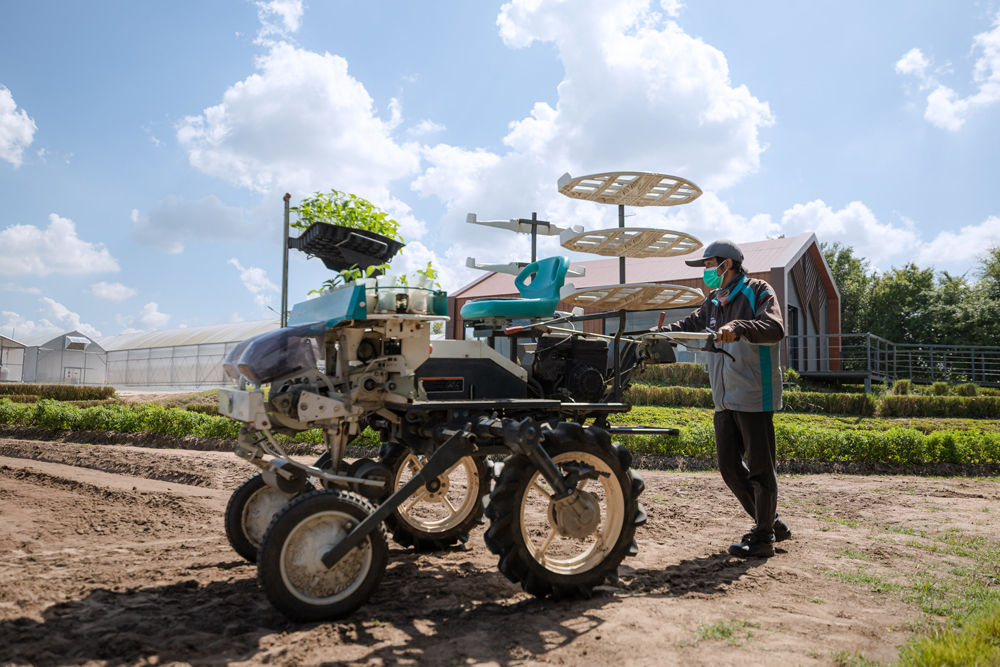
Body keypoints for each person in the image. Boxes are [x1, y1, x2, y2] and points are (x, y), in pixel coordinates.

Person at [658, 239, 790, 557]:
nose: (705, 272)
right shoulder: (713, 301)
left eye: (707, 265)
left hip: (753, 392)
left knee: (760, 468)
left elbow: (775, 328)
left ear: (725, 264)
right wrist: (658, 333)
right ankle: (771, 524)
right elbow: (689, 325)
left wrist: (739, 327)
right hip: (724, 396)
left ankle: (762, 539)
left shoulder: (758, 290)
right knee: (729, 467)